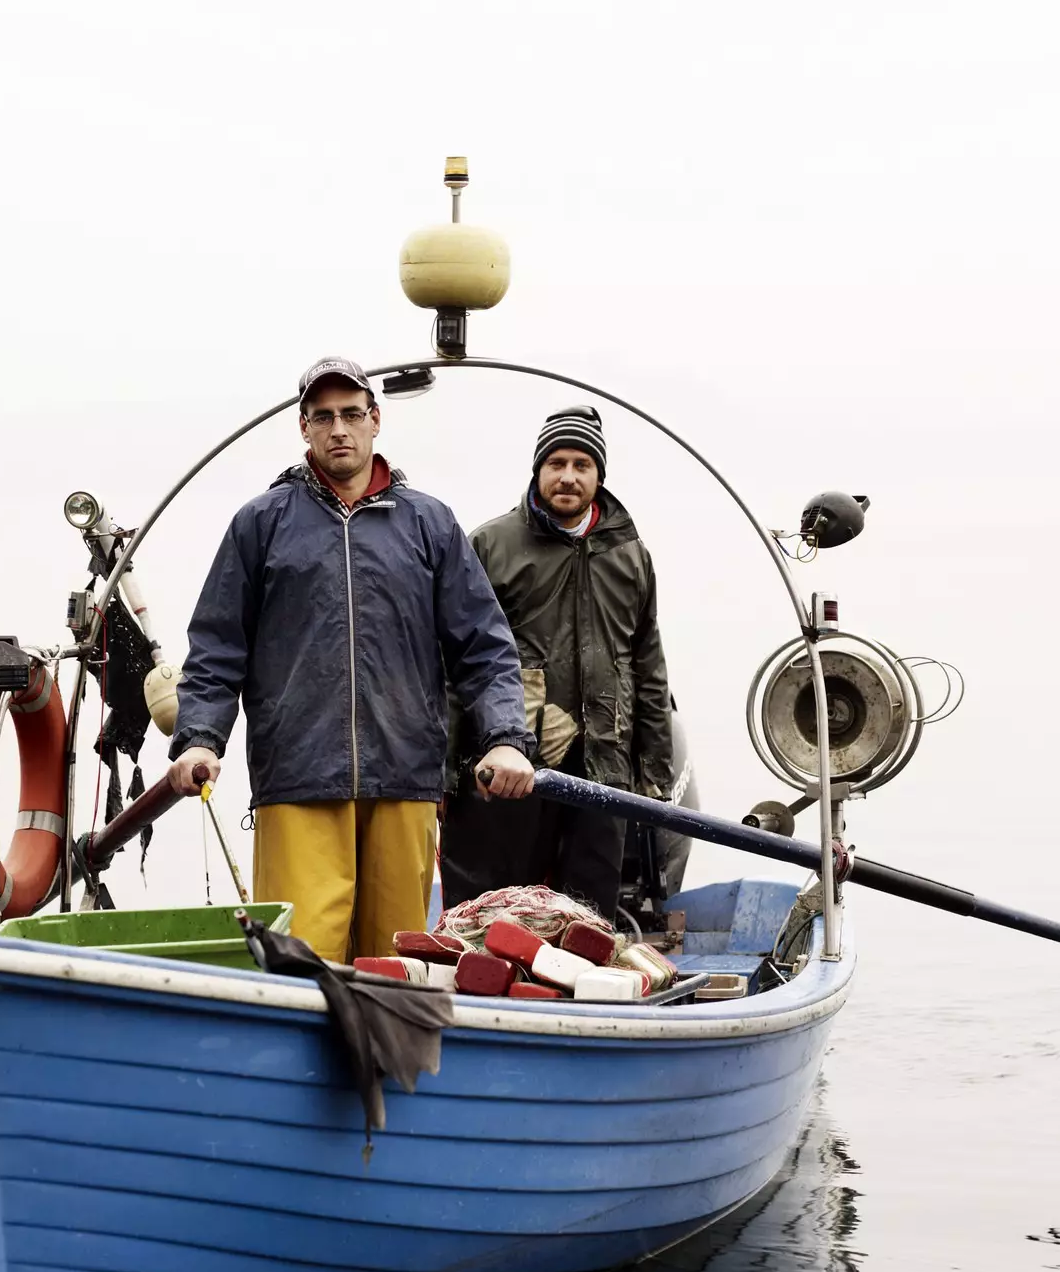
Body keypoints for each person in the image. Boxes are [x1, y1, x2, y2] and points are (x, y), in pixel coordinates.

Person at [165, 356, 535, 961]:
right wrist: (200, 738)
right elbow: (216, 647)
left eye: (351, 415)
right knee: (302, 964)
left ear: (375, 421)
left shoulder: (430, 524)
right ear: (303, 428)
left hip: (406, 778)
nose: (339, 428)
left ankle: (394, 1061)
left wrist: (505, 739)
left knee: (399, 967)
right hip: (299, 780)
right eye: (323, 417)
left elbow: (486, 648)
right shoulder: (260, 524)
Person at [440, 402, 678, 925]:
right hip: (505, 767)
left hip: (602, 769)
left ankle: (584, 1000)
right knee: (491, 916)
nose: (568, 477)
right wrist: (445, 775)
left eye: (581, 465)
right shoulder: (490, 544)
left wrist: (655, 776)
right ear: (538, 470)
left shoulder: (631, 554)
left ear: (599, 475)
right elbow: (453, 664)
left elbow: (648, 666)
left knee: (587, 922)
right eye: (556, 464)